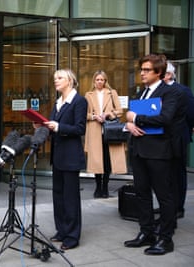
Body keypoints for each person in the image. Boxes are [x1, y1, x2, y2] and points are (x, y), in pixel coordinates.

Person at [124, 54, 183, 255]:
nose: (142, 73)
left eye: (146, 70)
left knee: (164, 196)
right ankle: (146, 232)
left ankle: (165, 239)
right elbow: (131, 118)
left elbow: (165, 118)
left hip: (159, 152)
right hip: (139, 151)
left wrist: (137, 118)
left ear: (158, 72)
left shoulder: (170, 92)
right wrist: (129, 124)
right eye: (141, 69)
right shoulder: (141, 93)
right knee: (142, 194)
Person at [41, 69, 87, 250]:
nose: (56, 81)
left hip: (71, 156)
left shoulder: (79, 101)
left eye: (59, 78)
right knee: (58, 196)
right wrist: (42, 125)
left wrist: (58, 127)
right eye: (54, 78)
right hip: (58, 156)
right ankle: (61, 230)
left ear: (70, 81)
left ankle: (72, 236)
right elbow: (53, 126)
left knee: (70, 198)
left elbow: (80, 128)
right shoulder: (58, 102)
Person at [84, 70, 127, 198]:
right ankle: (98, 187)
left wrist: (108, 114)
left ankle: (105, 187)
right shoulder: (88, 94)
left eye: (102, 79)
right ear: (94, 81)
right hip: (94, 130)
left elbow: (119, 111)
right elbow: (84, 114)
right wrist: (94, 116)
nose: (99, 82)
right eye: (97, 79)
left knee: (107, 159)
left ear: (105, 81)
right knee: (97, 160)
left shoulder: (112, 93)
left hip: (109, 129)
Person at [163, 61, 194, 219]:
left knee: (177, 174)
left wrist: (186, 131)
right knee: (165, 175)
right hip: (161, 140)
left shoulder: (183, 91)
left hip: (178, 138)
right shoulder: (157, 91)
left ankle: (178, 207)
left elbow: (190, 115)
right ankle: (167, 207)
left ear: (168, 74)